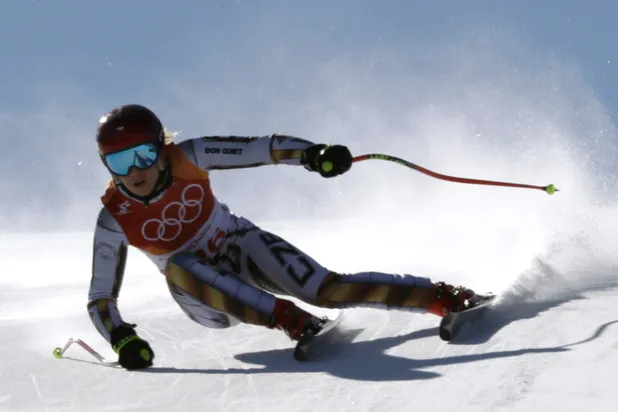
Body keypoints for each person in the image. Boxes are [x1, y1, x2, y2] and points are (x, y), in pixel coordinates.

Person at [88, 104, 481, 370]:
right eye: (120, 161)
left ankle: (443, 296)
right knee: (180, 263)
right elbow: (101, 297)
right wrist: (122, 339)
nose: (135, 171)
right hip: (206, 300)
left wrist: (313, 155)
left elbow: (262, 149)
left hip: (238, 247)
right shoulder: (114, 218)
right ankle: (294, 321)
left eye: (143, 155)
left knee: (325, 288)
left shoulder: (190, 156)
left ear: (162, 148)